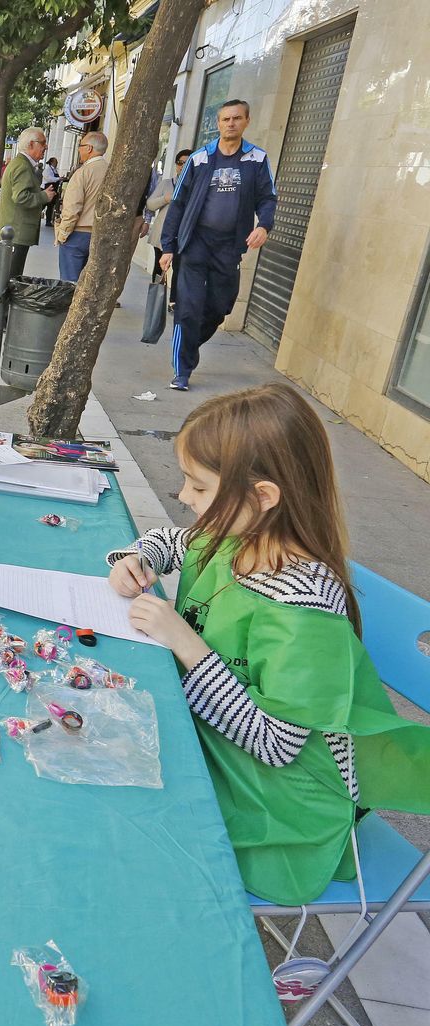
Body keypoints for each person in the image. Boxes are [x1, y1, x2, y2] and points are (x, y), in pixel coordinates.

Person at [108, 383, 430, 906]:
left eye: (198, 486)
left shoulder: (304, 609)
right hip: (218, 750)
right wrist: (136, 557)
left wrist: (188, 647)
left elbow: (277, 745)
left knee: (128, 828)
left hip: (279, 809)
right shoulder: (235, 536)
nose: (184, 497)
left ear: (263, 496)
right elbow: (172, 541)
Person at [159, 100, 277, 391]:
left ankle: (188, 342)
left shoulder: (256, 159)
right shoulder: (200, 159)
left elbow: (267, 198)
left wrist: (263, 225)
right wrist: (168, 246)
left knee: (219, 307)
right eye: (225, 119)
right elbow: (178, 203)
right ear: (218, 123)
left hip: (229, 246)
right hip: (195, 243)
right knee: (188, 308)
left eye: (237, 118)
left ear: (246, 121)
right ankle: (182, 370)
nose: (231, 123)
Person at [0, 126, 55, 281]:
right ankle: (3, 305)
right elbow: (21, 197)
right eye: (42, 143)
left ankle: (4, 304)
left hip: (14, 233)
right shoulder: (22, 166)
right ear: (31, 144)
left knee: (9, 278)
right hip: (15, 234)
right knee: (9, 280)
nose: (46, 147)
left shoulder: (22, 164)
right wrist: (44, 196)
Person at [55, 132, 109, 282]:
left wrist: (63, 234)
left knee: (69, 283)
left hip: (78, 234)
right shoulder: (111, 172)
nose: (79, 149)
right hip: (101, 236)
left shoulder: (83, 173)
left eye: (81, 146)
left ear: (89, 148)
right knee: (90, 285)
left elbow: (72, 208)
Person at [148, 149, 192, 298]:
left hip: (184, 236)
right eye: (180, 163)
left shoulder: (196, 187)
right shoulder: (166, 184)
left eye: (187, 163)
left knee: (180, 270)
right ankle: (155, 297)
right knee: (159, 266)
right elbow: (150, 205)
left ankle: (174, 301)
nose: (182, 166)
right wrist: (165, 199)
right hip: (163, 234)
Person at [41, 156, 61, 226]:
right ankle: (34, 217)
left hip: (53, 189)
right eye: (56, 162)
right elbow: (49, 179)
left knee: (50, 206)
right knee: (42, 205)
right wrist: (58, 179)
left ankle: (48, 221)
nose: (57, 163)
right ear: (52, 162)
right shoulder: (47, 169)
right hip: (46, 189)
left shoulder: (54, 170)